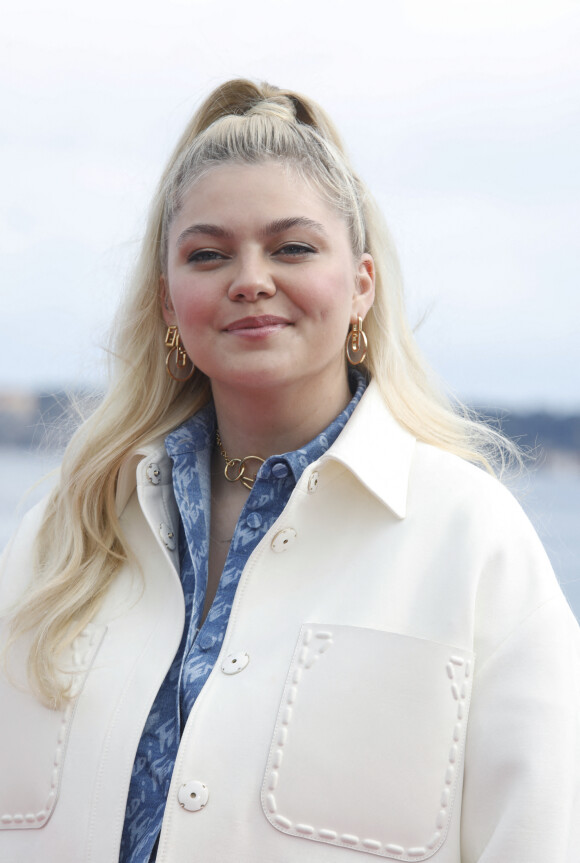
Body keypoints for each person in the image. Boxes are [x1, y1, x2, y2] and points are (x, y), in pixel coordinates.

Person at [0, 79, 578, 863]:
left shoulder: (472, 539)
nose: (249, 278)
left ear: (362, 285)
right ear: (170, 302)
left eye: (292, 247)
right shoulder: (62, 539)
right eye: (207, 254)